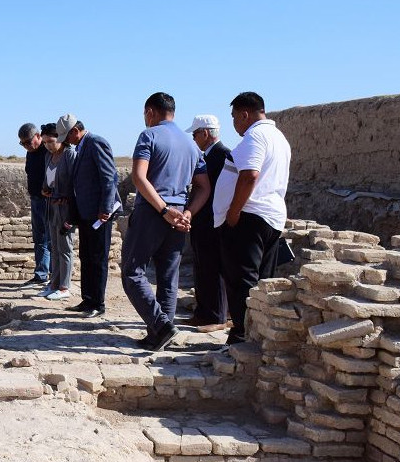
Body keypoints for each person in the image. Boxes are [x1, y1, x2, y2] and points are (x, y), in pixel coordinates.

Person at [121, 92, 209, 351]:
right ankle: (161, 335)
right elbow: (204, 187)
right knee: (168, 277)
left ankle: (161, 325)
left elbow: (139, 177)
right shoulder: (192, 145)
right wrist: (188, 213)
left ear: (150, 112)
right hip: (180, 216)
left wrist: (162, 209)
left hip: (153, 212)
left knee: (132, 272)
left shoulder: (149, 135)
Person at [214, 92, 291, 344]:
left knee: (242, 280)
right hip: (270, 216)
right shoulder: (279, 137)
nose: (234, 123)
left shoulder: (255, 136)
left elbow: (250, 176)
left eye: (235, 117)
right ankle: (256, 335)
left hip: (250, 217)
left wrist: (234, 211)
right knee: (260, 280)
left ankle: (241, 336)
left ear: (244, 114)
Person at [56, 114, 120, 318]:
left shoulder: (96, 143)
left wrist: (106, 209)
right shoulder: (80, 147)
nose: (66, 142)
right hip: (85, 214)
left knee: (98, 258)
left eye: (67, 137)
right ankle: (88, 299)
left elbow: (109, 178)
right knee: (86, 256)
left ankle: (98, 304)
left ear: (75, 131)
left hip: (99, 215)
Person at [183, 114, 231, 332]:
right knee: (202, 267)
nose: (193, 138)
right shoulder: (208, 156)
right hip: (202, 221)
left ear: (205, 133)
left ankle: (217, 316)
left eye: (195, 134)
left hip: (214, 221)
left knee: (214, 267)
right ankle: (203, 313)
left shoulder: (222, 155)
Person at [38, 123, 75, 300]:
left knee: (65, 247)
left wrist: (65, 196)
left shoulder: (70, 155)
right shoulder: (48, 157)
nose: (48, 145)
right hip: (52, 205)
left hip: (66, 208)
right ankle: (53, 284)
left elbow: (76, 182)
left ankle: (64, 286)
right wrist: (45, 189)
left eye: (51, 141)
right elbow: (48, 180)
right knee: (54, 247)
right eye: (44, 142)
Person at [18, 123, 51, 289]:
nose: (26, 146)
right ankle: (41, 274)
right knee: (39, 238)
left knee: (51, 239)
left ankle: (55, 277)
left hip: (49, 201)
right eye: (22, 144)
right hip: (36, 200)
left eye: (28, 142)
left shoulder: (49, 151)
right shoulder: (30, 154)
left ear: (38, 136)